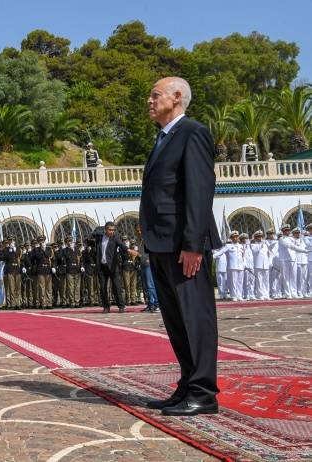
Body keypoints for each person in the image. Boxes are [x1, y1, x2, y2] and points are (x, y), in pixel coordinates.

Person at [140, 76, 222, 416]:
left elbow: (199, 190)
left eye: (155, 94)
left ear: (177, 97)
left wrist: (193, 244)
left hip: (183, 245)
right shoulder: (163, 138)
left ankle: (204, 392)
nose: (149, 100)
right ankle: (188, 382)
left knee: (195, 317)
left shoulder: (192, 132)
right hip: (161, 243)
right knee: (175, 319)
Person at [94, 222, 131, 313]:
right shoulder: (99, 238)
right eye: (110, 230)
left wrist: (129, 250)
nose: (112, 232)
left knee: (117, 287)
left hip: (113, 267)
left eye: (113, 230)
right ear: (105, 230)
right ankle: (106, 307)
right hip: (102, 267)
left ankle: (121, 306)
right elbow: (93, 234)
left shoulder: (115, 238)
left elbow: (122, 245)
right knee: (103, 288)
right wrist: (101, 231)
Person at [251, 230, 272, 301]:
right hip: (258, 264)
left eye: (261, 237)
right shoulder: (253, 245)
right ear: (255, 238)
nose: (260, 238)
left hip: (265, 264)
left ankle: (266, 294)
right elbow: (254, 251)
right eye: (258, 237)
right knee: (259, 280)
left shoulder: (265, 245)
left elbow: (268, 254)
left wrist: (269, 263)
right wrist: (260, 245)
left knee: (266, 280)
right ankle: (260, 295)